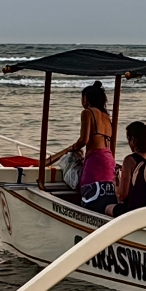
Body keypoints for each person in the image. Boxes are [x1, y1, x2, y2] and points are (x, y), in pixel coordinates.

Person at [46, 80, 117, 212]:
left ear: (87, 99)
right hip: (108, 160)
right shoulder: (106, 116)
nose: (81, 101)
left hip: (95, 160)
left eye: (82, 98)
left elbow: (84, 140)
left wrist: (72, 148)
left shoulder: (87, 113)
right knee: (103, 197)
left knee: (89, 194)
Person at [116, 121, 146, 210]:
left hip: (135, 209)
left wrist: (115, 183)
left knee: (107, 207)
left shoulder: (130, 160)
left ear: (133, 139)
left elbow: (122, 195)